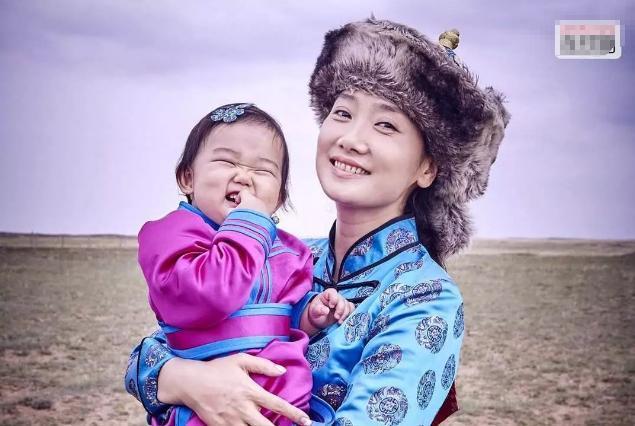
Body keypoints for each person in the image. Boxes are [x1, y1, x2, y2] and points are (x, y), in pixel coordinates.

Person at [125, 18, 510, 426]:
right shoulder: (289, 254)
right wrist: (190, 381)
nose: (351, 139)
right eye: (343, 113)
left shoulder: (425, 297)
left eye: (385, 125)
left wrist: (182, 382)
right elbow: (150, 353)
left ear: (428, 168)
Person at [135, 103, 355, 426]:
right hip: (203, 408)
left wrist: (311, 314)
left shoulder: (288, 250)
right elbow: (212, 294)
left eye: (263, 171)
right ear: (187, 178)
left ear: (279, 198)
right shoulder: (170, 236)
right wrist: (248, 223)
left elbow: (283, 312)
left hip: (283, 395)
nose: (244, 177)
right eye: (226, 162)